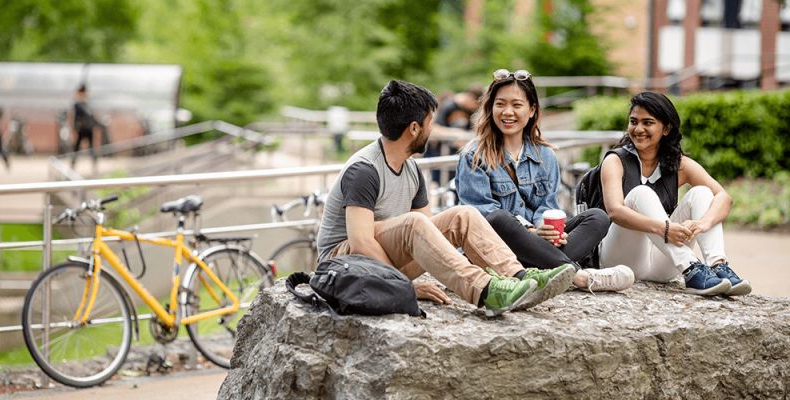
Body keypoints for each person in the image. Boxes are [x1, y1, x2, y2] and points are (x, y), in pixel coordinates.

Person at [316, 79, 575, 317]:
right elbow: (360, 242)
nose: (434, 129)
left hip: (383, 262)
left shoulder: (412, 168)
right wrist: (403, 286)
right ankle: (487, 291)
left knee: (463, 214)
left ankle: (519, 277)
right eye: (431, 122)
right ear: (414, 128)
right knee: (413, 224)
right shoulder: (364, 170)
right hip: (347, 266)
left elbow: (432, 234)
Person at [456, 68, 635, 293]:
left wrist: (547, 229)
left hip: (537, 248)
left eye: (517, 105)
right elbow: (480, 217)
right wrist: (531, 232)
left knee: (597, 217)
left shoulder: (546, 155)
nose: (507, 112)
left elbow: (548, 206)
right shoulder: (473, 155)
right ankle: (579, 276)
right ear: (490, 108)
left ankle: (542, 271)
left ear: (532, 110)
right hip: (495, 250)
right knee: (499, 218)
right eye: (500, 104)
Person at [597, 91, 751, 296]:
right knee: (641, 193)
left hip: (662, 266)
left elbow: (723, 197)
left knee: (702, 193)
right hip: (621, 261)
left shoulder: (679, 164)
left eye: (648, 123)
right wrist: (665, 229)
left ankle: (717, 265)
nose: (638, 129)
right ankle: (691, 267)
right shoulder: (615, 161)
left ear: (666, 128)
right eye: (634, 121)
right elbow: (615, 211)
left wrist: (702, 223)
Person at [425, 86, 483, 185]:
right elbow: (434, 129)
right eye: (474, 104)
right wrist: (458, 134)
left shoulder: (472, 110)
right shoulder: (449, 105)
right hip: (443, 158)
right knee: (442, 190)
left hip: (462, 158)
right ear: (469, 98)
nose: (475, 108)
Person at [70, 84, 98, 167]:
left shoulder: (87, 104)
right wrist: (74, 129)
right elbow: (74, 117)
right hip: (81, 129)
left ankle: (94, 165)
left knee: (90, 148)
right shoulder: (78, 104)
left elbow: (92, 117)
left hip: (87, 128)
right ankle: (73, 164)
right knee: (77, 147)